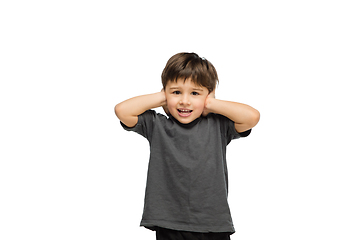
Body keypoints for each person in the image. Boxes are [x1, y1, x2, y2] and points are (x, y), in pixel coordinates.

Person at [115, 52, 260, 240]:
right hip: (169, 223)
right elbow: (122, 111)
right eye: (176, 92)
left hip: (213, 223)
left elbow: (252, 117)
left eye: (195, 93)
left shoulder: (218, 125)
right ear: (165, 93)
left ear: (209, 95)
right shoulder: (157, 125)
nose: (184, 101)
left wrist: (211, 103)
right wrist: (162, 97)